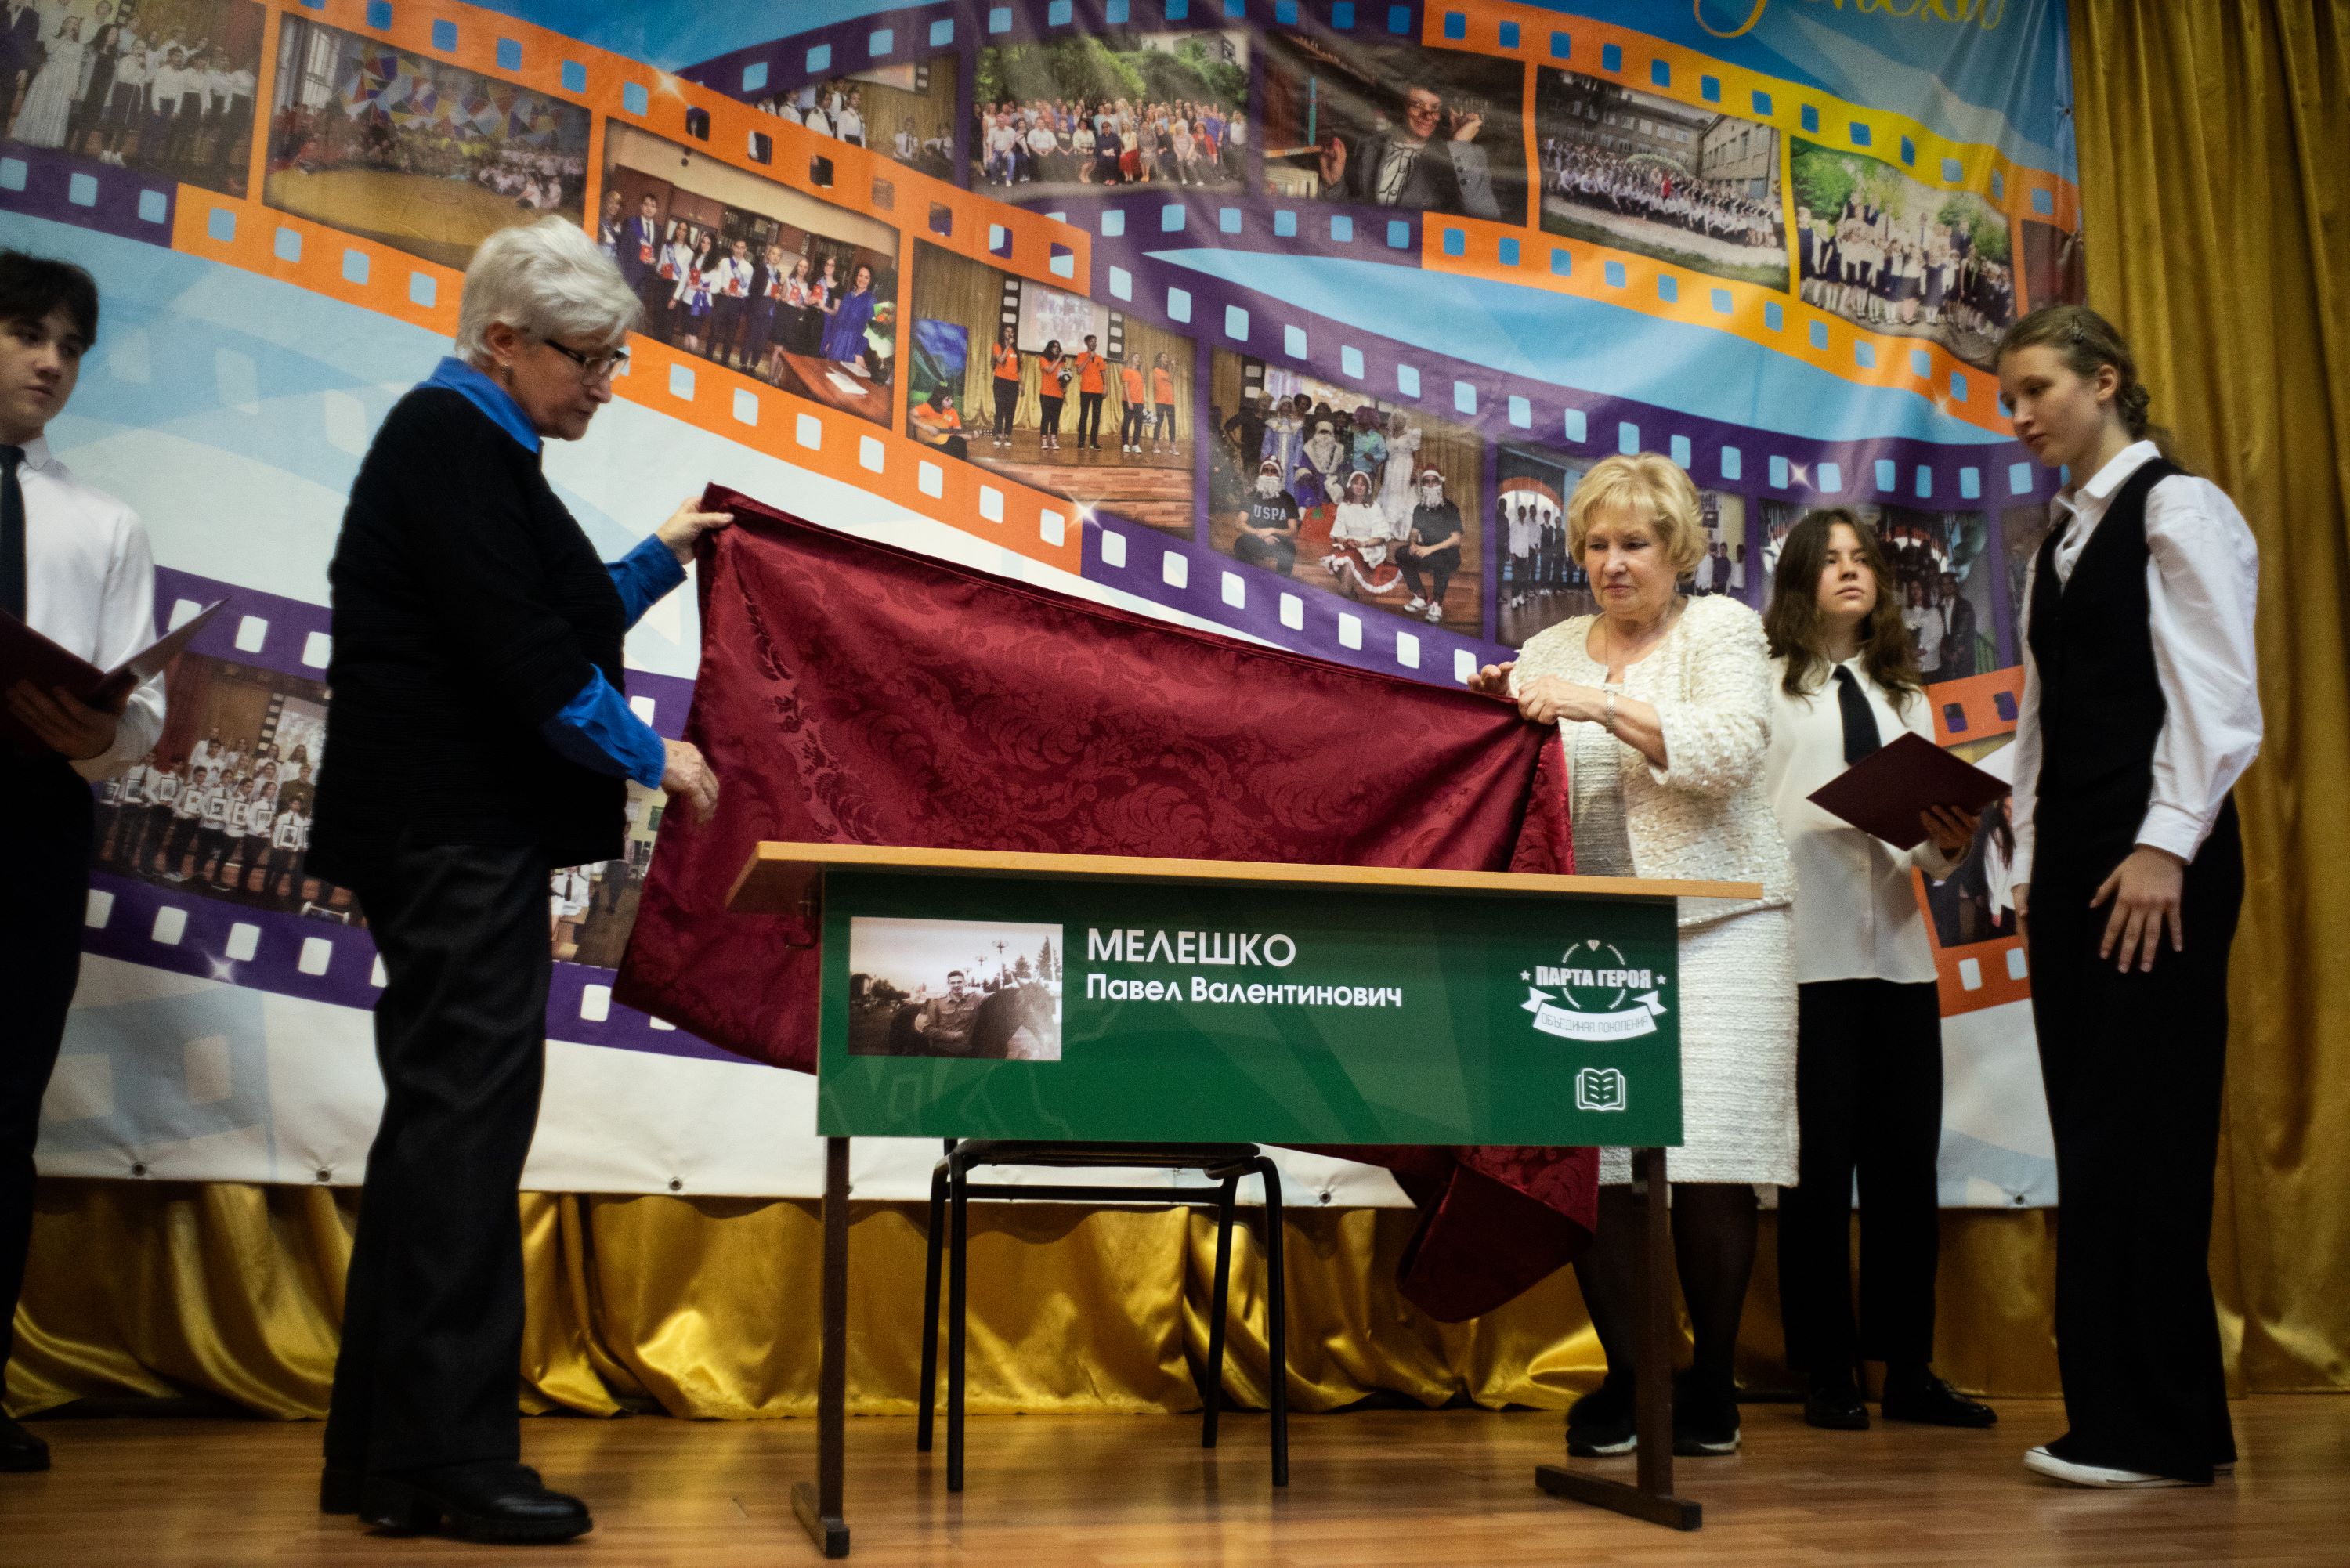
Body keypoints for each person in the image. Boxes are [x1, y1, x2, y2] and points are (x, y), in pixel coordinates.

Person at [309, 218, 728, 1541]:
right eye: (587, 358)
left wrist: (665, 552)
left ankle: (387, 1458)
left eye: (613, 359)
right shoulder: (452, 444)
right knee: (464, 1138)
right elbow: (529, 661)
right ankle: (450, 1454)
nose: (606, 383)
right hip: (453, 834)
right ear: (502, 339)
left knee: (438, 1133)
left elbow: (550, 611)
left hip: (440, 835)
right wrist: (657, 757)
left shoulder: (473, 448)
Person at [1470, 451, 1796, 1458]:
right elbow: (1517, 779)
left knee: (1710, 1160)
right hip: (1588, 936)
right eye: (1599, 545)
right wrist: (1496, 710)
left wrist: (1595, 702)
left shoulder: (1723, 629)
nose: (1615, 563)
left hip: (1725, 919)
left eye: (1637, 544)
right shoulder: (1550, 645)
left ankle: (1712, 1386)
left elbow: (1728, 750)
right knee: (1599, 1158)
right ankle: (1632, 1377)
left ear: (1678, 550)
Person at [1996, 305, 2259, 1490]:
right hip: (2076, 861)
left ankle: (2151, 1428)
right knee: (2097, 1133)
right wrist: (2025, 862)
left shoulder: (2177, 507)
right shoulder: (2059, 535)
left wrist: (2166, 847)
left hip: (2156, 853)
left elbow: (2218, 698)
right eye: (2009, 399)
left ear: (2106, 381)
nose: (2021, 415)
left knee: (2150, 1130)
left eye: (2037, 389)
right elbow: (2041, 723)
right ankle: (2138, 1416)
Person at [1762, 508, 1998, 1434]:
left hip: (1899, 959)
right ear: (1800, 579)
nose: (1851, 571)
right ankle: (1828, 1367)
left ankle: (1909, 1368)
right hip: (1807, 956)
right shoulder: (1769, 685)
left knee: (1905, 1172)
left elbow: (1930, 853)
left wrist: (1950, 842)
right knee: (1817, 1173)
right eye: (1830, 560)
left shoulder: (1907, 694)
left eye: (1862, 558)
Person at [0, 251, 167, 1476]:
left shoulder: (106, 523)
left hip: (30, 827)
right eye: (25, 333)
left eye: (70, 345)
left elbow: (141, 710)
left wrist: (98, 735)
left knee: (5, 1108)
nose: (51, 361)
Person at [1318, 82, 1500, 220]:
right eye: (1417, 105)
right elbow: (1349, 214)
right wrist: (1333, 183)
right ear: (1401, 106)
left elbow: (1487, 216)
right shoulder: (1368, 147)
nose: (1427, 116)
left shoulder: (1461, 156)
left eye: (1435, 108)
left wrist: (1461, 144)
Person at [1397, 467, 1462, 624]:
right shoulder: (1419, 509)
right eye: (1427, 482)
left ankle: (1437, 604)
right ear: (1423, 485)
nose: (1431, 485)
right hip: (1427, 551)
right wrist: (1413, 544)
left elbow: (1456, 539)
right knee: (1402, 553)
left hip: (1448, 554)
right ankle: (1421, 597)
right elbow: (1414, 532)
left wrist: (1429, 549)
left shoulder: (1450, 508)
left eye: (1434, 481)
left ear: (1440, 483)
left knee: (1442, 559)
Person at [1233, 455, 1300, 575]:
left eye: (1273, 471)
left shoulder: (1288, 499)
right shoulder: (1252, 496)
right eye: (1265, 471)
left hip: (1279, 540)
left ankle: (1281, 582)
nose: (1269, 475)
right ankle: (1249, 577)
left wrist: (1272, 530)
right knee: (1240, 544)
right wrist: (1259, 533)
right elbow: (1239, 523)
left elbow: (1293, 531)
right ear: (1261, 474)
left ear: (1279, 475)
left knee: (1290, 550)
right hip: (1255, 537)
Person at [819, 262, 876, 365]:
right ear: (856, 276)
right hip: (836, 341)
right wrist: (830, 341)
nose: (862, 280)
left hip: (852, 345)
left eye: (866, 277)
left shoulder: (871, 300)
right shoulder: (847, 296)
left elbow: (871, 329)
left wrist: (859, 352)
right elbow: (837, 321)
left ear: (870, 280)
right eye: (860, 275)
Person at [910, 383, 965, 459]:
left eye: (951, 399)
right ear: (939, 399)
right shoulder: (927, 407)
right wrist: (926, 427)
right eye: (947, 399)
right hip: (930, 443)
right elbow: (908, 415)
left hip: (946, 441)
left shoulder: (952, 411)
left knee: (960, 441)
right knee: (931, 448)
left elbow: (958, 431)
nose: (951, 402)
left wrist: (971, 436)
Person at [1072, 334, 1108, 450]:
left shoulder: (1100, 358)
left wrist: (1105, 387)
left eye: (1095, 341)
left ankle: (1093, 442)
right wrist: (1089, 358)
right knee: (1084, 415)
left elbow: (1103, 373)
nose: (1094, 343)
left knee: (1096, 417)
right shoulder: (1081, 355)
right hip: (1086, 390)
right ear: (1087, 343)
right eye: (1092, 341)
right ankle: (1081, 441)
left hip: (1098, 390)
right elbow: (1079, 371)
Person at [988, 323, 1020, 448]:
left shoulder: (1016, 350)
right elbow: (1000, 360)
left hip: (1013, 382)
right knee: (1000, 408)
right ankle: (998, 434)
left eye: (1011, 331)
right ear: (1003, 333)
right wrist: (1008, 346)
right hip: (1000, 381)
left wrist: (1022, 384)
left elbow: (1019, 369)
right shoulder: (997, 346)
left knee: (1010, 410)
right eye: (1007, 331)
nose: (1009, 333)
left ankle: (1007, 435)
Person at [1036, 338, 1068, 451]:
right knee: (1046, 417)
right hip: (1046, 392)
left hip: (1058, 394)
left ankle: (1053, 439)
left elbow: (1063, 377)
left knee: (1055, 418)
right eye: (1054, 347)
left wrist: (1065, 387)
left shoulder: (1062, 362)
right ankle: (1044, 439)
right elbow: (1049, 370)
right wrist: (1058, 359)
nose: (1057, 349)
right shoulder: (1044, 359)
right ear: (1050, 348)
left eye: (1058, 347)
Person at [1116, 356, 1149, 454]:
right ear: (1131, 360)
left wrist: (1143, 402)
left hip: (1139, 402)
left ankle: (1135, 445)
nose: (1138, 359)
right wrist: (1129, 401)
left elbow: (1140, 388)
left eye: (1139, 358)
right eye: (1136, 357)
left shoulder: (1139, 373)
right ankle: (1125, 444)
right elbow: (1126, 387)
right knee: (1127, 423)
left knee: (1139, 424)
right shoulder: (1126, 370)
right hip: (1129, 401)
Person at [1149, 352, 1177, 455]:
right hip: (1160, 400)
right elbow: (1170, 380)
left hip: (1170, 400)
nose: (1166, 359)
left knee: (1172, 423)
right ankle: (1155, 445)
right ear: (1159, 359)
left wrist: (1173, 368)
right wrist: (1174, 367)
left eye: (1167, 357)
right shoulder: (1156, 370)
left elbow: (1171, 380)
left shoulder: (1167, 371)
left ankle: (1172, 446)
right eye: (1164, 357)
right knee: (1159, 422)